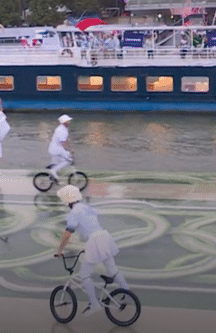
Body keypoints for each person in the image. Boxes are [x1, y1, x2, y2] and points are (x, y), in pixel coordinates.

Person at [54, 185, 130, 314]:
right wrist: (88, 248)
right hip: (104, 237)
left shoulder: (74, 213)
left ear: (67, 200)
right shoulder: (86, 207)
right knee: (112, 268)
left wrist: (59, 250)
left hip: (95, 241)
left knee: (84, 275)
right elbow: (91, 226)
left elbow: (67, 234)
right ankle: (126, 291)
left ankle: (94, 304)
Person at [48, 114, 73, 181]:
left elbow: (66, 140)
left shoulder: (64, 128)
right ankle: (53, 171)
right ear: (65, 122)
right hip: (56, 149)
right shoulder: (61, 130)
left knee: (60, 162)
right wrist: (69, 150)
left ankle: (53, 178)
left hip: (55, 148)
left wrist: (70, 148)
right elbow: (63, 142)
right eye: (68, 121)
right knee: (68, 160)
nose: (69, 122)